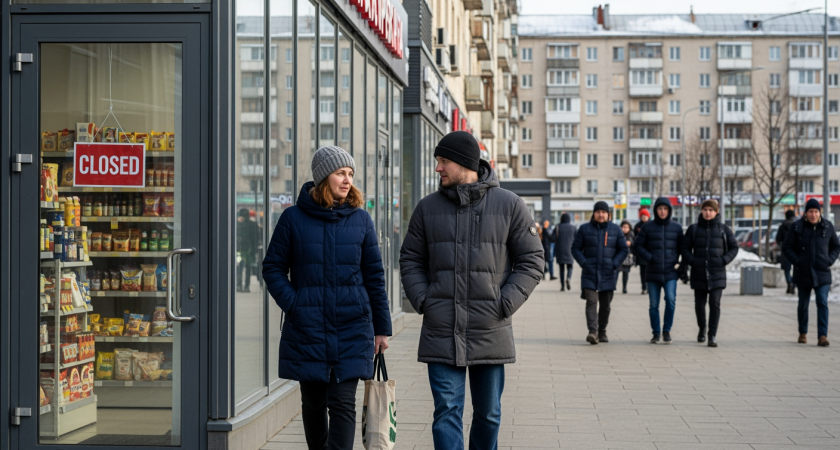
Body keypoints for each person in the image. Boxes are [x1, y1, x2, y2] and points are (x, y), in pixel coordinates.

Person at [400, 131, 544, 450]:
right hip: (442, 328)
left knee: (489, 415)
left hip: (490, 328)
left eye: (443, 161)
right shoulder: (427, 208)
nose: (438, 168)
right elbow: (410, 258)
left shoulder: (510, 205)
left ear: (465, 163)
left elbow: (532, 259)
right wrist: (424, 299)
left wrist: (504, 303)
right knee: (446, 412)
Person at [262, 146, 392, 450]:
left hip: (352, 326)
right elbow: (273, 268)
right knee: (313, 405)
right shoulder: (292, 219)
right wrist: (296, 304)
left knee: (343, 404)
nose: (347, 180)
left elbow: (375, 276)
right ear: (323, 177)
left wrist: (382, 328)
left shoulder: (361, 220)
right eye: (340, 173)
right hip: (308, 327)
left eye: (350, 174)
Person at [782, 198, 840, 347]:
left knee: (822, 302)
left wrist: (829, 260)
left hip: (822, 272)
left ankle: (822, 336)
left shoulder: (827, 226)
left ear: (820, 212)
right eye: (810, 211)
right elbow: (787, 247)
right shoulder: (797, 227)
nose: (813, 215)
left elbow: (836, 246)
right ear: (805, 213)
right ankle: (803, 332)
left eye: (816, 211)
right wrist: (797, 261)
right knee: (803, 304)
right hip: (803, 272)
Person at [680, 200, 738, 347]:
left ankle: (712, 335)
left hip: (717, 273)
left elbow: (734, 247)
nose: (708, 213)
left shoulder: (723, 229)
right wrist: (693, 261)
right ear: (701, 211)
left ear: (716, 211)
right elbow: (685, 248)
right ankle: (702, 328)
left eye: (711, 210)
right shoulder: (693, 229)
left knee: (715, 304)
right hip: (698, 273)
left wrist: (723, 260)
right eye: (705, 209)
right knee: (699, 305)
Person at [571, 202, 628, 344]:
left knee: (605, 306)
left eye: (604, 212)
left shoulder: (615, 229)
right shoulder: (584, 229)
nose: (601, 215)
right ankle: (593, 332)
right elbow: (575, 248)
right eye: (598, 212)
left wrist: (614, 264)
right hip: (589, 273)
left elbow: (623, 249)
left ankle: (602, 331)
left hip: (608, 274)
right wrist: (584, 263)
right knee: (591, 302)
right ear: (594, 213)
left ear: (608, 214)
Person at [634, 197, 684, 344]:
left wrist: (681, 265)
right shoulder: (647, 227)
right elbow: (637, 246)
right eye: (660, 208)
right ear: (655, 210)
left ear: (669, 211)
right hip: (653, 272)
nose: (662, 211)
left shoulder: (677, 228)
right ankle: (656, 333)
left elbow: (683, 248)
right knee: (653, 305)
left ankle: (666, 331)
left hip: (670, 272)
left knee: (671, 300)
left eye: (665, 209)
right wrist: (650, 257)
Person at [236, 208, 260, 292]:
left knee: (240, 268)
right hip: (247, 250)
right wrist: (254, 250)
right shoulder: (253, 225)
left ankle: (240, 285)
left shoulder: (237, 224)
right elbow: (256, 239)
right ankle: (245, 286)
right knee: (247, 268)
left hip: (241, 250)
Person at [553, 213, 576, 291]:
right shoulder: (573, 227)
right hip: (570, 250)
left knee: (561, 269)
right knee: (570, 266)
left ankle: (562, 286)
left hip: (560, 250)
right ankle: (568, 278)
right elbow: (577, 239)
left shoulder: (558, 227)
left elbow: (552, 238)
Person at [776, 209, 796, 295]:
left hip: (786, 251)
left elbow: (778, 239)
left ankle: (789, 282)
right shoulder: (797, 225)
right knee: (796, 269)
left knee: (787, 269)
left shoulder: (782, 226)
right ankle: (793, 285)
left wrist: (782, 246)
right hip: (796, 251)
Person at [634, 208, 651, 294]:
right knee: (643, 271)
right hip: (641, 253)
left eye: (645, 216)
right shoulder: (637, 226)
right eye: (642, 216)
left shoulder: (651, 225)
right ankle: (644, 287)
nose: (644, 217)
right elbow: (634, 238)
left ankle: (649, 287)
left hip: (650, 251)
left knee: (650, 271)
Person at [619, 220, 635, 294]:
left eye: (626, 227)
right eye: (623, 227)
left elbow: (635, 244)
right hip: (619, 257)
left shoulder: (631, 234)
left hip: (628, 258)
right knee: (616, 273)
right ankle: (613, 286)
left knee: (625, 274)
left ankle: (624, 287)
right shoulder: (618, 234)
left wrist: (631, 243)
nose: (625, 229)